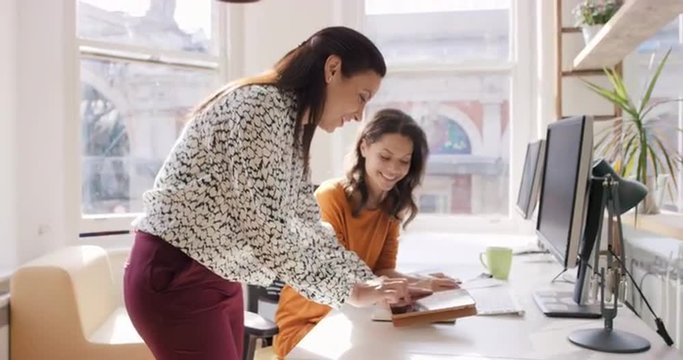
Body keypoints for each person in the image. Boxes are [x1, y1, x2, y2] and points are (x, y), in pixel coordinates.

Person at [123, 26, 413, 360]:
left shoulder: (290, 123)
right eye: (362, 96)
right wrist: (351, 289)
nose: (361, 114)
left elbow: (307, 225)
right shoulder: (261, 107)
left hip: (217, 273)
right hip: (176, 275)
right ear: (333, 70)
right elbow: (267, 232)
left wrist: (371, 285)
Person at [273, 108, 460, 358]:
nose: (394, 169)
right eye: (385, 156)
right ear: (364, 148)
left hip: (352, 319)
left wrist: (423, 283)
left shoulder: (392, 207)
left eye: (404, 161)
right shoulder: (332, 197)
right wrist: (417, 283)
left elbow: (380, 271)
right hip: (310, 326)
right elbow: (338, 274)